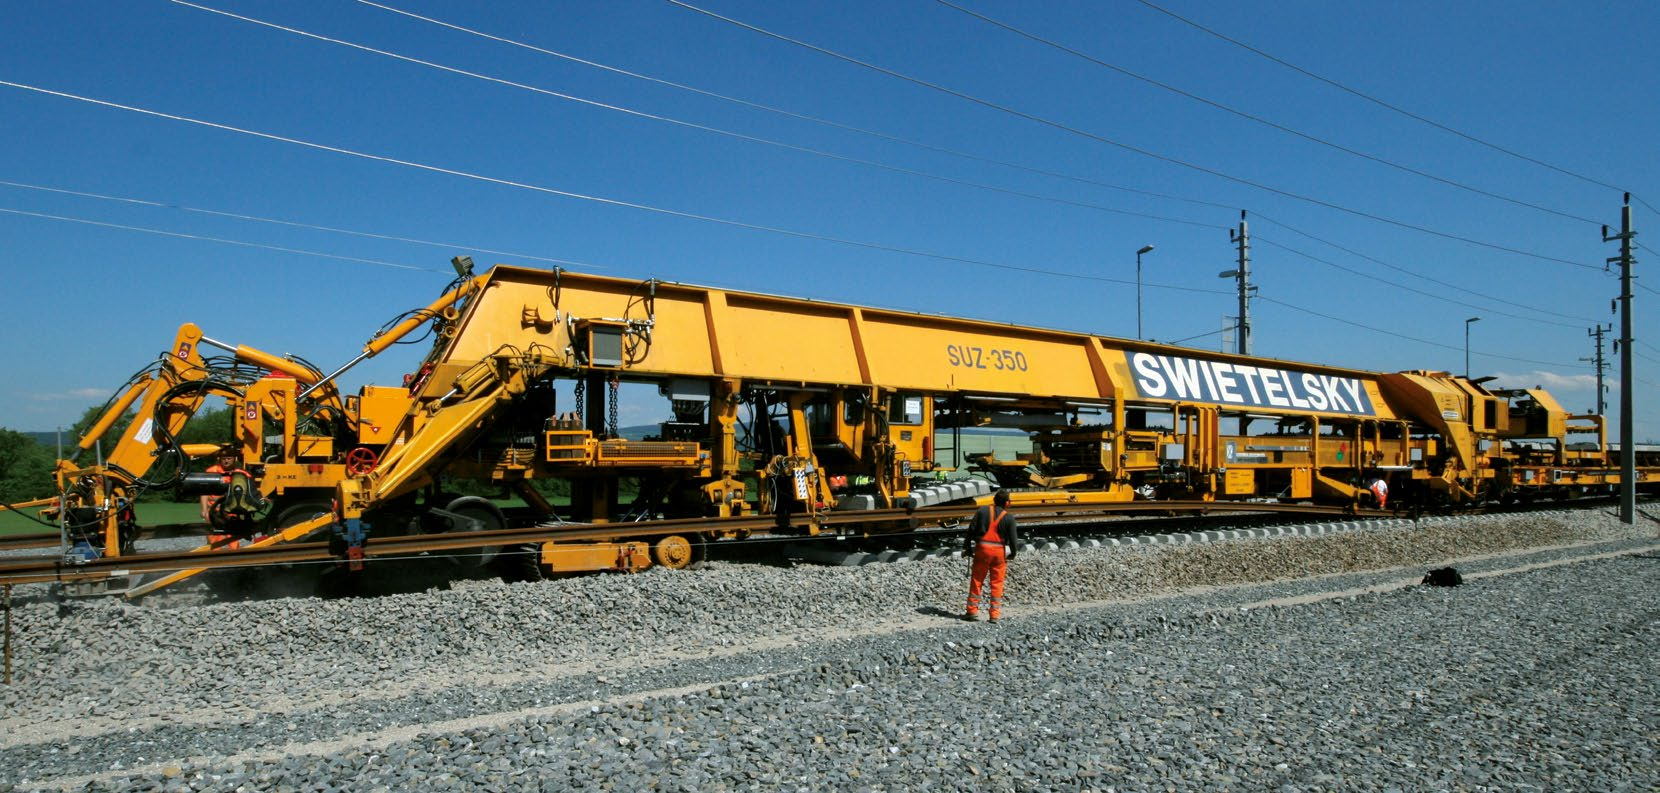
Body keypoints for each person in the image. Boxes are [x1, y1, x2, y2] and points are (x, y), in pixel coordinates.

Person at [964, 489, 1018, 623]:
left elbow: (971, 530)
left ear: (994, 501)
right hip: (999, 552)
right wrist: (1013, 553)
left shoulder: (982, 511)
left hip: (982, 550)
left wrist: (967, 547)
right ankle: (994, 615)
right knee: (997, 583)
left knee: (977, 580)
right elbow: (1013, 540)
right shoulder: (1009, 518)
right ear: (1007, 503)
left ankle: (972, 612)